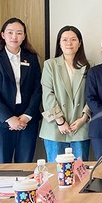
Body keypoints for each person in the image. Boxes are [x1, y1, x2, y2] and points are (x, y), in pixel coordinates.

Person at [0, 17, 42, 163]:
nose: (14, 37)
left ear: (24, 36)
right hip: (1, 120)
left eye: (19, 33)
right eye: (10, 32)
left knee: (25, 165)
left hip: (27, 121)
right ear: (3, 35)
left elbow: (37, 89)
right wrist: (9, 118)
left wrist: (27, 116)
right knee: (1, 166)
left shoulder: (31, 58)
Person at [39, 26, 91, 163]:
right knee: (56, 171)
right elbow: (47, 95)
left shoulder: (88, 66)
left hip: (79, 127)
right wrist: (60, 121)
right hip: (55, 127)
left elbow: (92, 95)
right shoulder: (50, 65)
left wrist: (83, 118)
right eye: (65, 40)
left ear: (79, 43)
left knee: (80, 170)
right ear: (59, 43)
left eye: (73, 39)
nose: (69, 43)